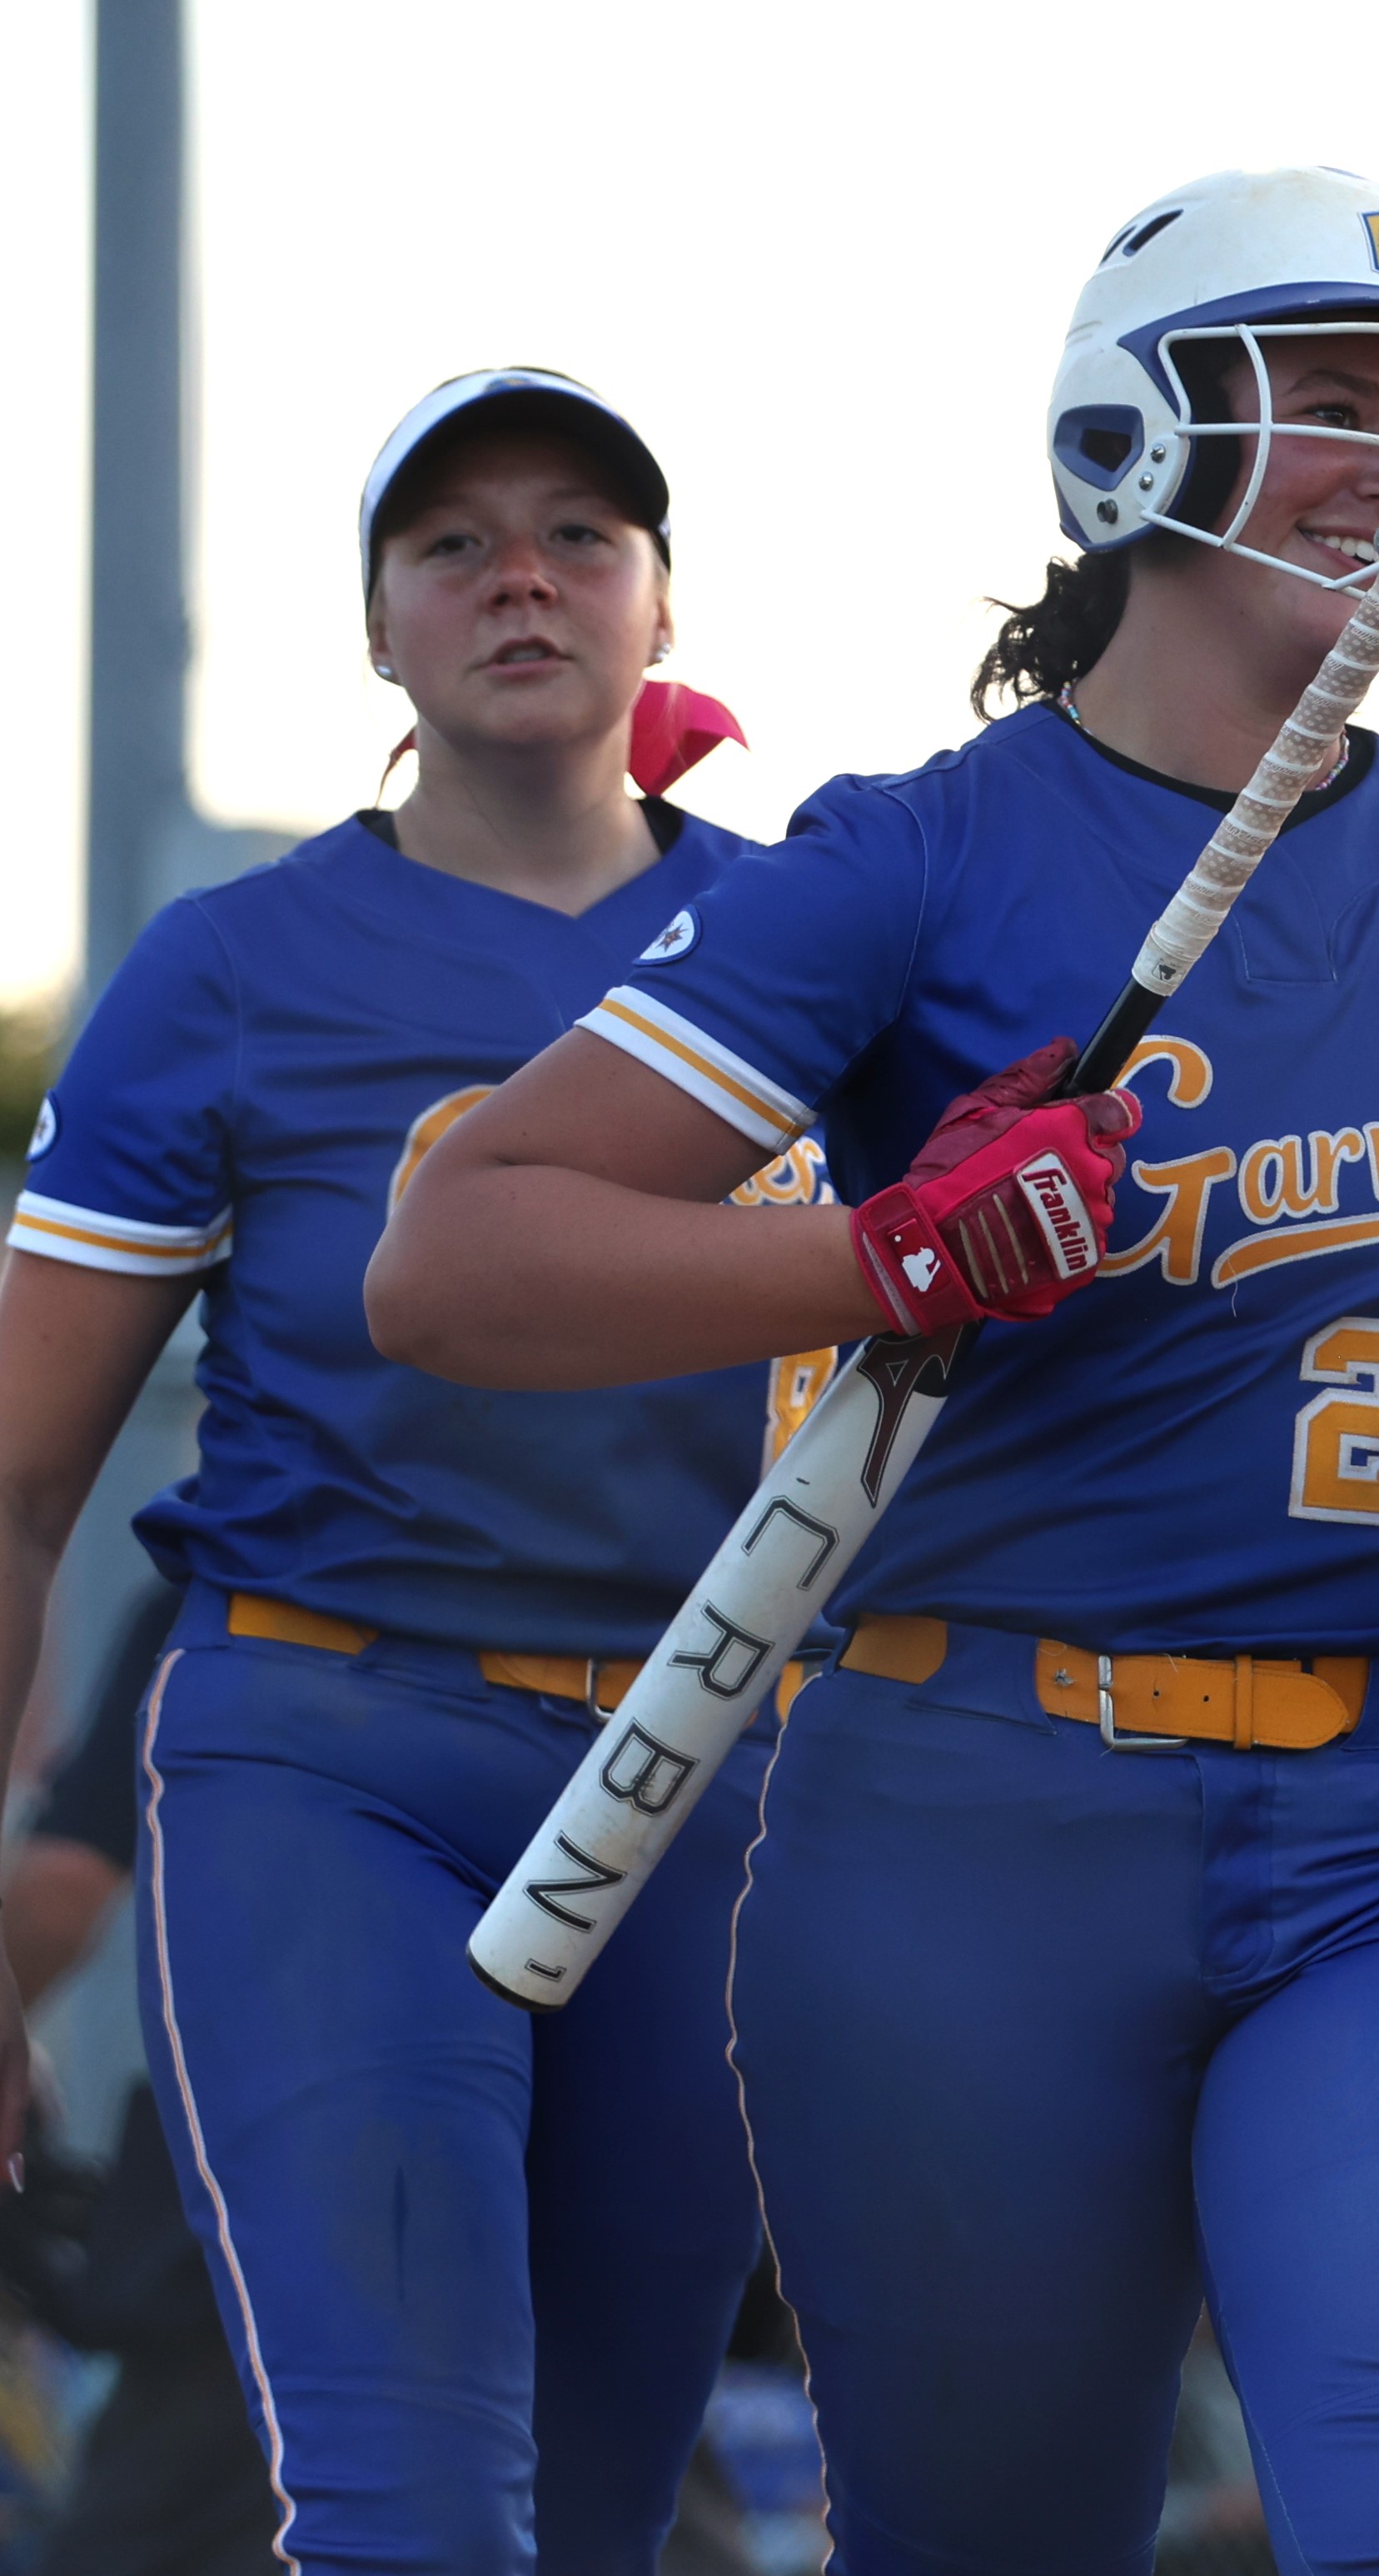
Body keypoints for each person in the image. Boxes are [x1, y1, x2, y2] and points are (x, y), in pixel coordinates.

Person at [370, 175, 1379, 2575]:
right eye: (1338, 399)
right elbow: (456, 1261)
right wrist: (881, 1242)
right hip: (968, 1820)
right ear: (1136, 430)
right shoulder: (913, 860)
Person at [0, 366, 835, 2576]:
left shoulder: (822, 943)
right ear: (377, 628)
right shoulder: (232, 967)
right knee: (411, 2507)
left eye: (579, 535)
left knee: (603, 2513)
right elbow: (18, 1477)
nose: (519, 579)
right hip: (336, 1751)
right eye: (452, 544)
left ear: (662, 603)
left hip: (713, 1778)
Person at [0, 1582, 279, 2576]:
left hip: (271, 2182)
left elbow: (63, 1887)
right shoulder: (622, 1567)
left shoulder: (241, 1566)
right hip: (564, 2162)